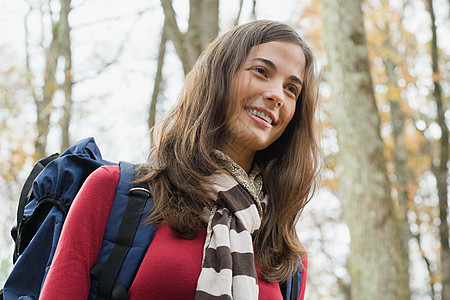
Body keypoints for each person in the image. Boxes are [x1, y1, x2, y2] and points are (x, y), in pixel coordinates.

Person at [40, 20, 321, 299]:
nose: (276, 95)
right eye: (261, 71)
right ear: (219, 77)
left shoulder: (288, 257)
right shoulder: (115, 192)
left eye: (291, 89)